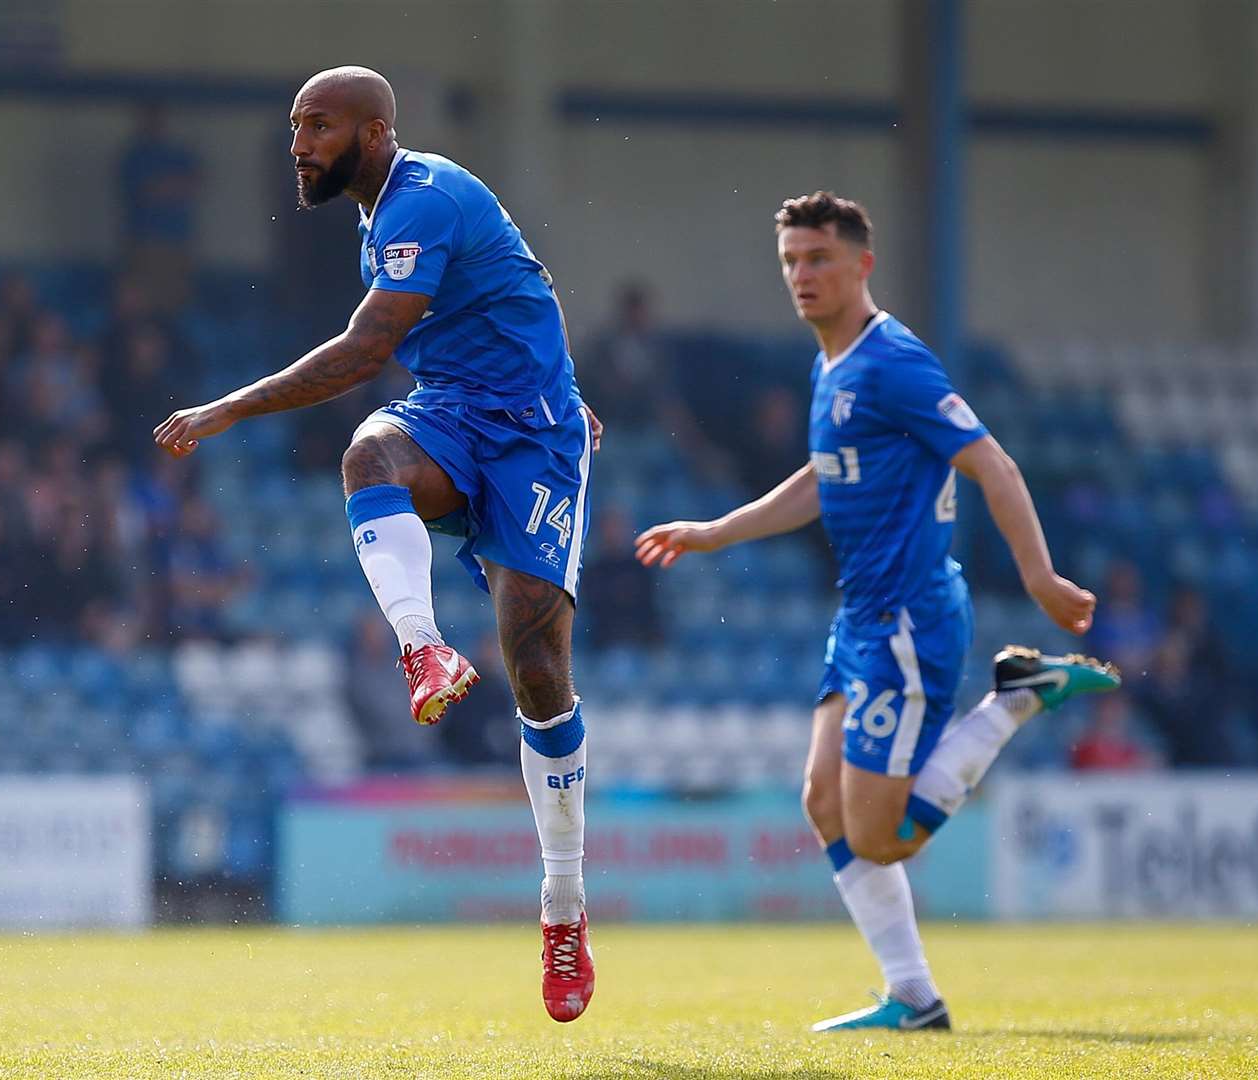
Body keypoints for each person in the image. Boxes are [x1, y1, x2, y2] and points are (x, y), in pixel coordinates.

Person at [153, 67, 598, 1022]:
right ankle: (422, 645)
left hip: (533, 438)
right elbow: (520, 283)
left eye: (317, 127)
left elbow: (365, 351)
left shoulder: (423, 197)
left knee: (534, 664)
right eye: (293, 127)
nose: (299, 145)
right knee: (370, 451)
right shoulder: (385, 212)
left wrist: (228, 407)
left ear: (376, 132)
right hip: (453, 413)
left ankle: (562, 905)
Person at [635, 192, 1119, 1032]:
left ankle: (1015, 695)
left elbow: (993, 464)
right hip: (860, 617)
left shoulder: (893, 361)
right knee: (821, 801)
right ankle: (913, 997)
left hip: (907, 619)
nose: (801, 275)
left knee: (883, 836)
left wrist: (1037, 576)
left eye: (818, 258)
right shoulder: (831, 363)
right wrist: (718, 531)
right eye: (789, 260)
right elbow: (824, 478)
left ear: (862, 263)